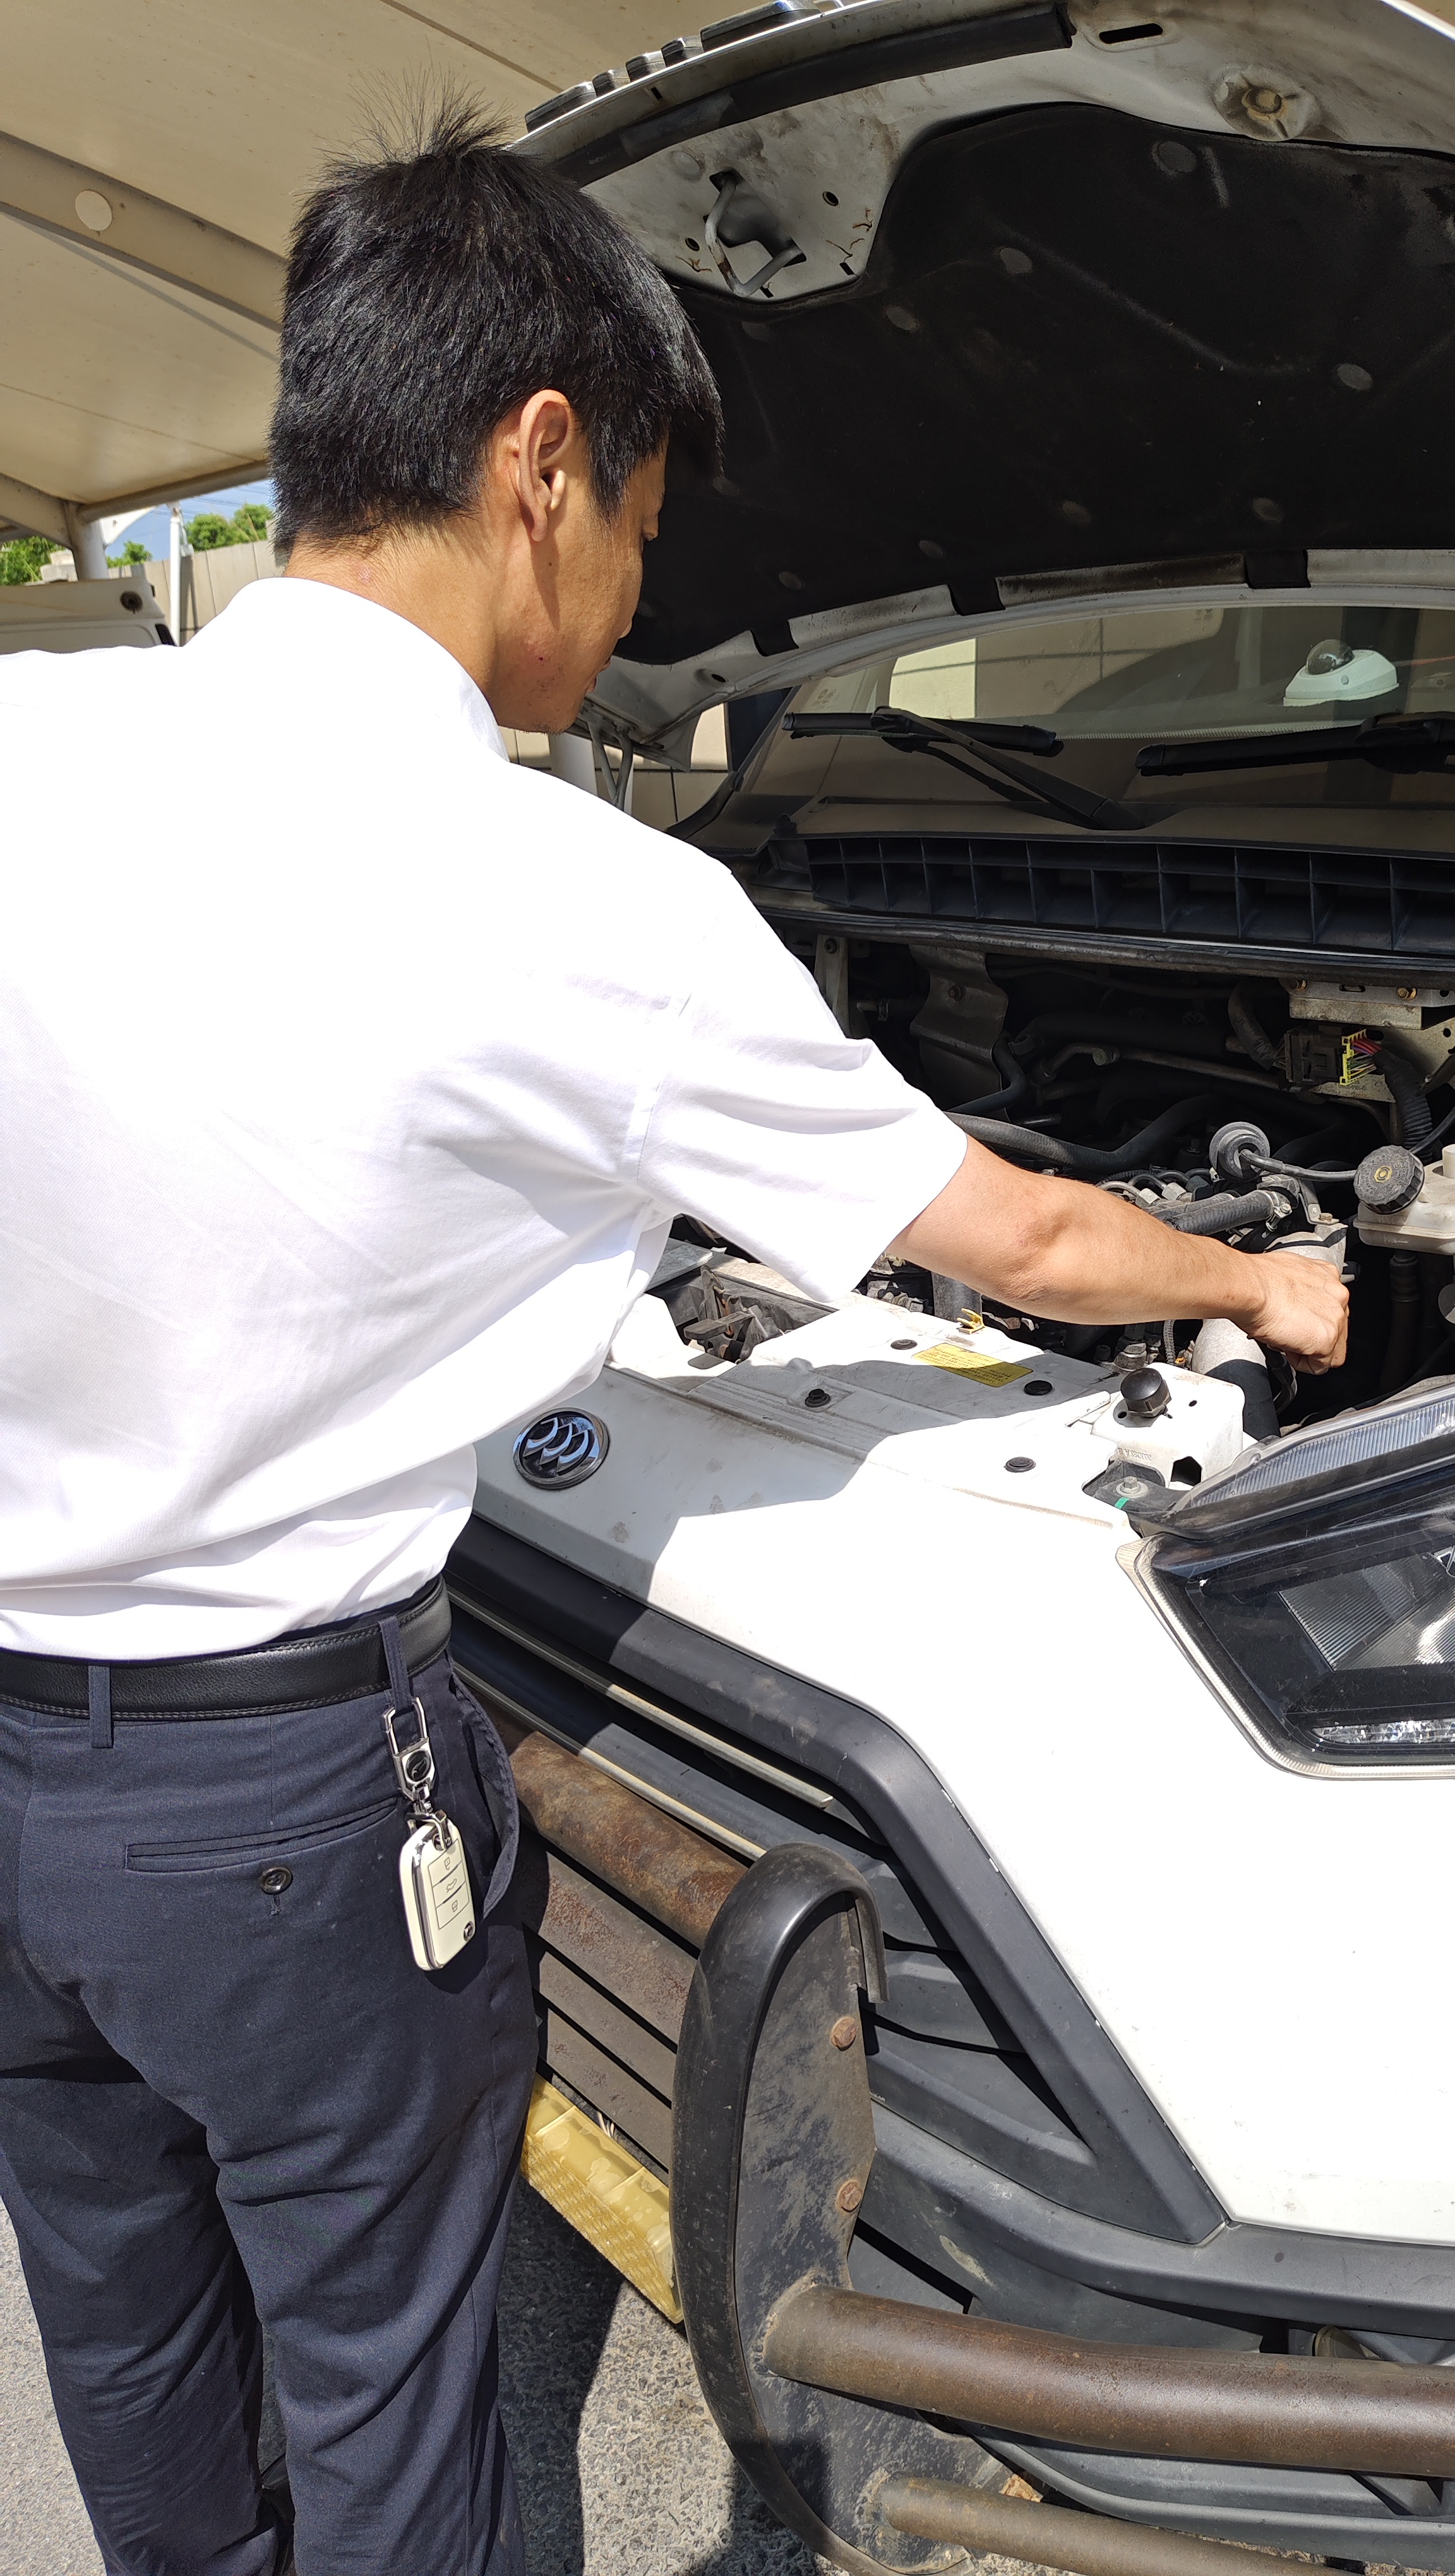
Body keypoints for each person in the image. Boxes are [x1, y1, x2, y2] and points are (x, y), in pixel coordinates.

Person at [0, 104, 1346, 2576]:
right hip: (277, 1811)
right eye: (637, 527)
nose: (633, 599)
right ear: (540, 464)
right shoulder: (581, 904)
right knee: (389, 2391)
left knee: (131, 2341)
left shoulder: (29, 740)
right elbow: (1024, 1239)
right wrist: (1266, 1280)